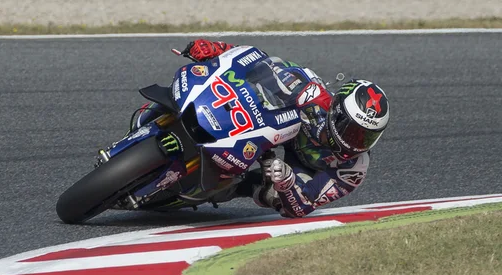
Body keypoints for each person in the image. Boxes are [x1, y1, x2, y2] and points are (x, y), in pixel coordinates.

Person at [137, 39, 390, 218]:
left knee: (274, 198)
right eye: (354, 130)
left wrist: (287, 183)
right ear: (336, 112)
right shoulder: (311, 93)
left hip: (298, 169)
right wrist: (217, 50)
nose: (357, 142)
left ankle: (227, 186)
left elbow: (303, 206)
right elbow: (258, 63)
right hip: (279, 130)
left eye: (367, 136)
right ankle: (162, 116)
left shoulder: (353, 169)